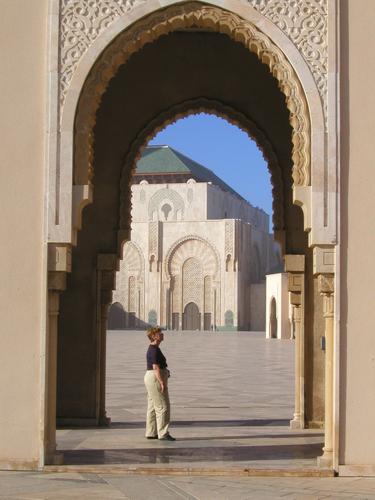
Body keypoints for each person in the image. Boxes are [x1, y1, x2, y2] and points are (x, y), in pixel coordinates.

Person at [144, 326, 176, 441]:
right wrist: (162, 382)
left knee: (152, 406)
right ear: (153, 336)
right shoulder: (153, 349)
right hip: (155, 378)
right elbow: (155, 367)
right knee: (163, 406)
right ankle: (163, 433)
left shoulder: (154, 348)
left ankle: (151, 432)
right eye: (159, 333)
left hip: (151, 377)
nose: (162, 334)